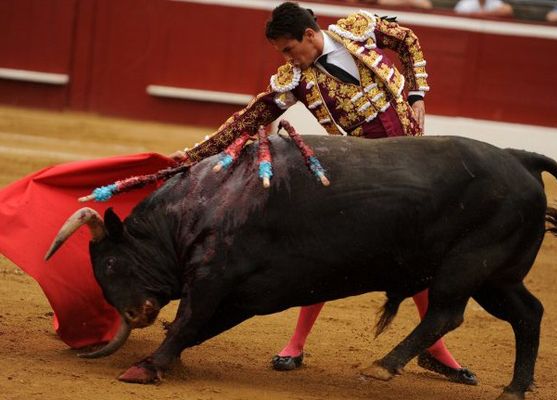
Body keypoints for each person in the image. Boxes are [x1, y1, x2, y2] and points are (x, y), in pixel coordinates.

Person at [171, 2, 477, 385]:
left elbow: (408, 41)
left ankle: (434, 349)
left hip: (415, 167)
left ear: (311, 35)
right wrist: (196, 154)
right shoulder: (295, 80)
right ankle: (296, 344)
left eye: (288, 49)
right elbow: (251, 117)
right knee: (331, 252)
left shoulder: (359, 30)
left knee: (419, 254)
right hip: (364, 175)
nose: (287, 59)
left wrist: (417, 94)